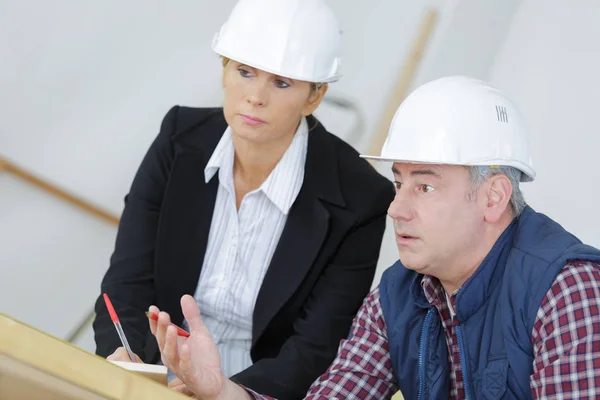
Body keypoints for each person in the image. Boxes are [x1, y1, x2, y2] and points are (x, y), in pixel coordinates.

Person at [150, 76, 600, 399]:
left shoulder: (566, 290)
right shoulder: (398, 293)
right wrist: (225, 392)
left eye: (424, 186)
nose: (396, 208)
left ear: (493, 197)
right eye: (398, 182)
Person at [92, 0, 394, 398]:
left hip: (255, 392)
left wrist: (221, 392)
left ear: (314, 96)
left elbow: (314, 346)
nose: (255, 96)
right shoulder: (177, 138)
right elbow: (127, 282)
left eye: (281, 82)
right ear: (224, 69)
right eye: (245, 72)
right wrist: (126, 360)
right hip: (149, 372)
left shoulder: (360, 198)